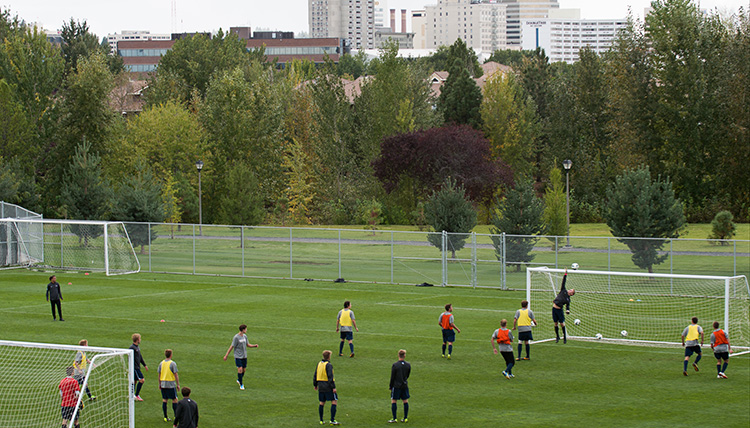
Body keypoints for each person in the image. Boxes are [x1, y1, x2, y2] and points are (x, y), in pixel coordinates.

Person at [223, 324, 259, 390]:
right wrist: (226, 355)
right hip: (238, 356)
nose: (246, 330)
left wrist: (254, 346)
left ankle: (239, 379)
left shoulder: (245, 336)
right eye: (245, 329)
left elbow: (248, 345)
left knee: (244, 370)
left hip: (244, 356)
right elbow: (232, 346)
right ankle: (241, 384)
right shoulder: (236, 337)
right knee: (240, 369)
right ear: (243, 330)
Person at [313, 350, 339, 425]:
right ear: (329, 356)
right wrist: (333, 387)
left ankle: (321, 420)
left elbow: (315, 374)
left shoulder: (319, 364)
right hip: (327, 386)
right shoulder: (328, 365)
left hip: (320, 386)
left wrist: (315, 384)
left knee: (322, 402)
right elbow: (330, 377)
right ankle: (332, 420)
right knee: (334, 401)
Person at [552, 268, 575, 344]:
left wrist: (567, 310)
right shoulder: (563, 290)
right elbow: (563, 282)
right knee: (555, 323)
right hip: (554, 309)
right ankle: (557, 336)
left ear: (571, 294)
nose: (569, 290)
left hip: (559, 310)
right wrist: (565, 274)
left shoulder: (568, 299)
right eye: (570, 289)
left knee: (562, 324)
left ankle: (564, 337)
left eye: (571, 290)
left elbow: (567, 306)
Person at [388, 349, 411, 423]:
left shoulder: (395, 365)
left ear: (398, 355)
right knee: (405, 401)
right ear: (404, 355)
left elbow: (392, 377)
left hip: (396, 385)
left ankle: (394, 418)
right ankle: (405, 417)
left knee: (394, 400)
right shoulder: (408, 365)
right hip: (404, 385)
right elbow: (407, 375)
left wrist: (391, 386)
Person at [158, 349, 180, 422]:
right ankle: (176, 416)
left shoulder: (161, 363)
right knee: (174, 400)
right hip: (170, 384)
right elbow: (175, 374)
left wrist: (159, 384)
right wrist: (178, 384)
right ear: (171, 355)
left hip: (163, 384)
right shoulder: (172, 363)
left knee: (165, 400)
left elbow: (159, 374)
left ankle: (165, 417)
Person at [130, 333, 149, 401]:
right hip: (135, 368)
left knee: (135, 381)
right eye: (140, 339)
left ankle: (131, 395)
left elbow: (140, 357)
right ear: (137, 340)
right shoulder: (132, 348)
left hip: (137, 367)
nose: (140, 340)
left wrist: (144, 365)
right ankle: (136, 395)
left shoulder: (137, 347)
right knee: (141, 380)